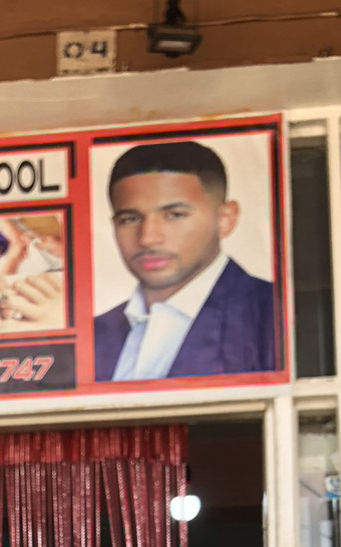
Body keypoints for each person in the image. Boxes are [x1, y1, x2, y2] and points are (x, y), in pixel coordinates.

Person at [93, 140, 275, 382]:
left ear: (225, 219)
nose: (148, 238)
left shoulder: (273, 315)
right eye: (130, 219)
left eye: (174, 215)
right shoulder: (94, 334)